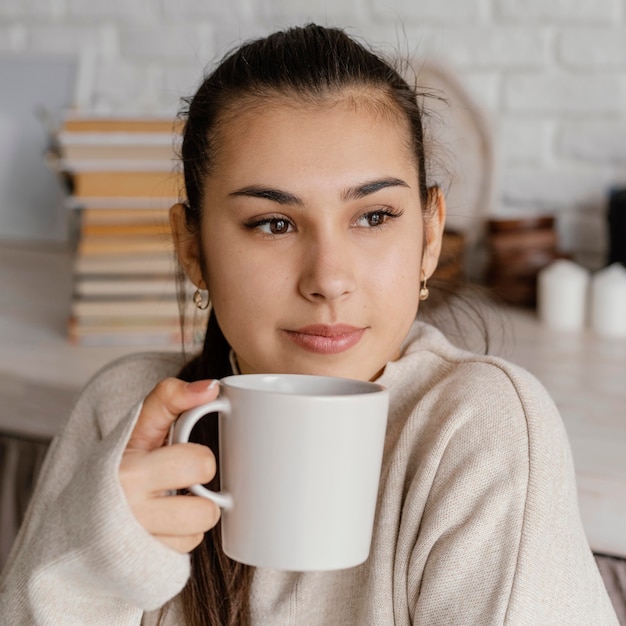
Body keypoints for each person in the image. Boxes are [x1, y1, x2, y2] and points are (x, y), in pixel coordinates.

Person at [0, 24, 618, 626]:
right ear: (192, 248)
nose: (328, 277)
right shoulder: (121, 413)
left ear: (429, 236)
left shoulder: (479, 429)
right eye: (273, 223)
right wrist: (88, 568)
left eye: (374, 216)